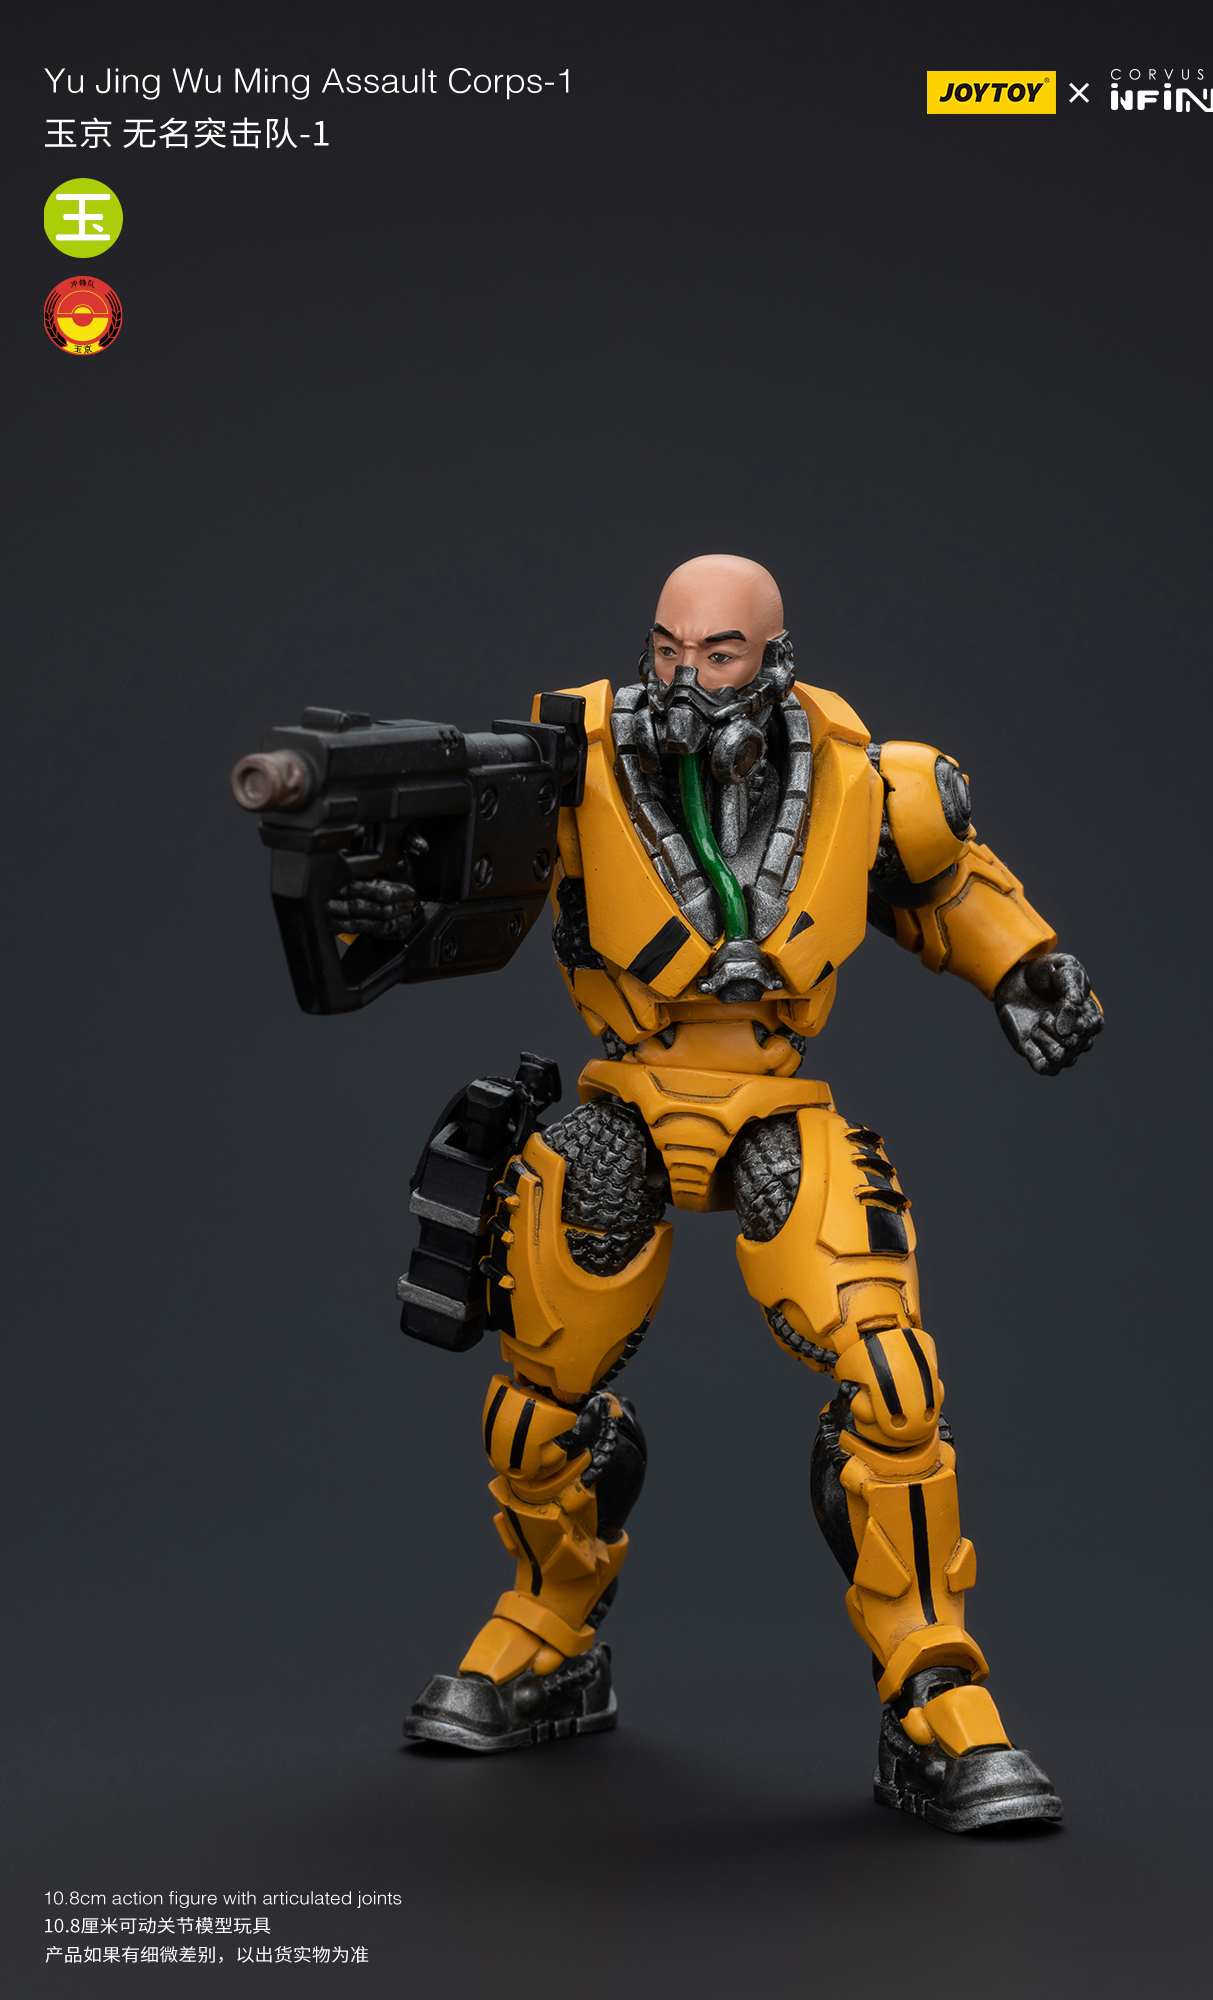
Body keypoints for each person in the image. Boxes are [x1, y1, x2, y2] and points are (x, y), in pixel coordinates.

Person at [393, 552, 1102, 1831]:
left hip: (774, 1104)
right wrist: (385, 889)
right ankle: (549, 1629)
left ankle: (933, 1689)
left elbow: (947, 885)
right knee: (535, 1399)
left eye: (716, 653)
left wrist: (1026, 965)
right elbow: (461, 876)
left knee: (893, 1378)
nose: (685, 675)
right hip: (625, 1094)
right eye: (666, 648)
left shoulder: (868, 778)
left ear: (773, 658)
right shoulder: (570, 761)